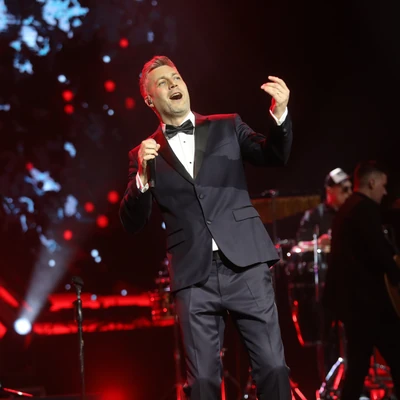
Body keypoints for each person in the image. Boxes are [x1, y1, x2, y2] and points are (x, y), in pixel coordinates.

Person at [119, 55, 293, 400]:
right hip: (193, 275)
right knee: (201, 383)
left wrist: (280, 114)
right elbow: (132, 222)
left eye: (176, 78)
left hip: (245, 263)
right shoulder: (143, 154)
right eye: (163, 82)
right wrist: (142, 176)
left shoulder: (227, 126)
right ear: (150, 100)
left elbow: (272, 155)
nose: (174, 84)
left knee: (273, 367)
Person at [323, 161, 400, 400]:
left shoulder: (347, 209)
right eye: (383, 186)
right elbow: (379, 252)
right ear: (372, 183)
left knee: (357, 368)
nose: (385, 192)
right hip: (370, 304)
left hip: (354, 305)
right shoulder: (364, 209)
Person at [297, 167, 352, 244]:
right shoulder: (314, 215)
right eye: (345, 189)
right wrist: (318, 243)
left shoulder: (352, 213)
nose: (350, 193)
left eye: (350, 188)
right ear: (330, 190)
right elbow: (300, 244)